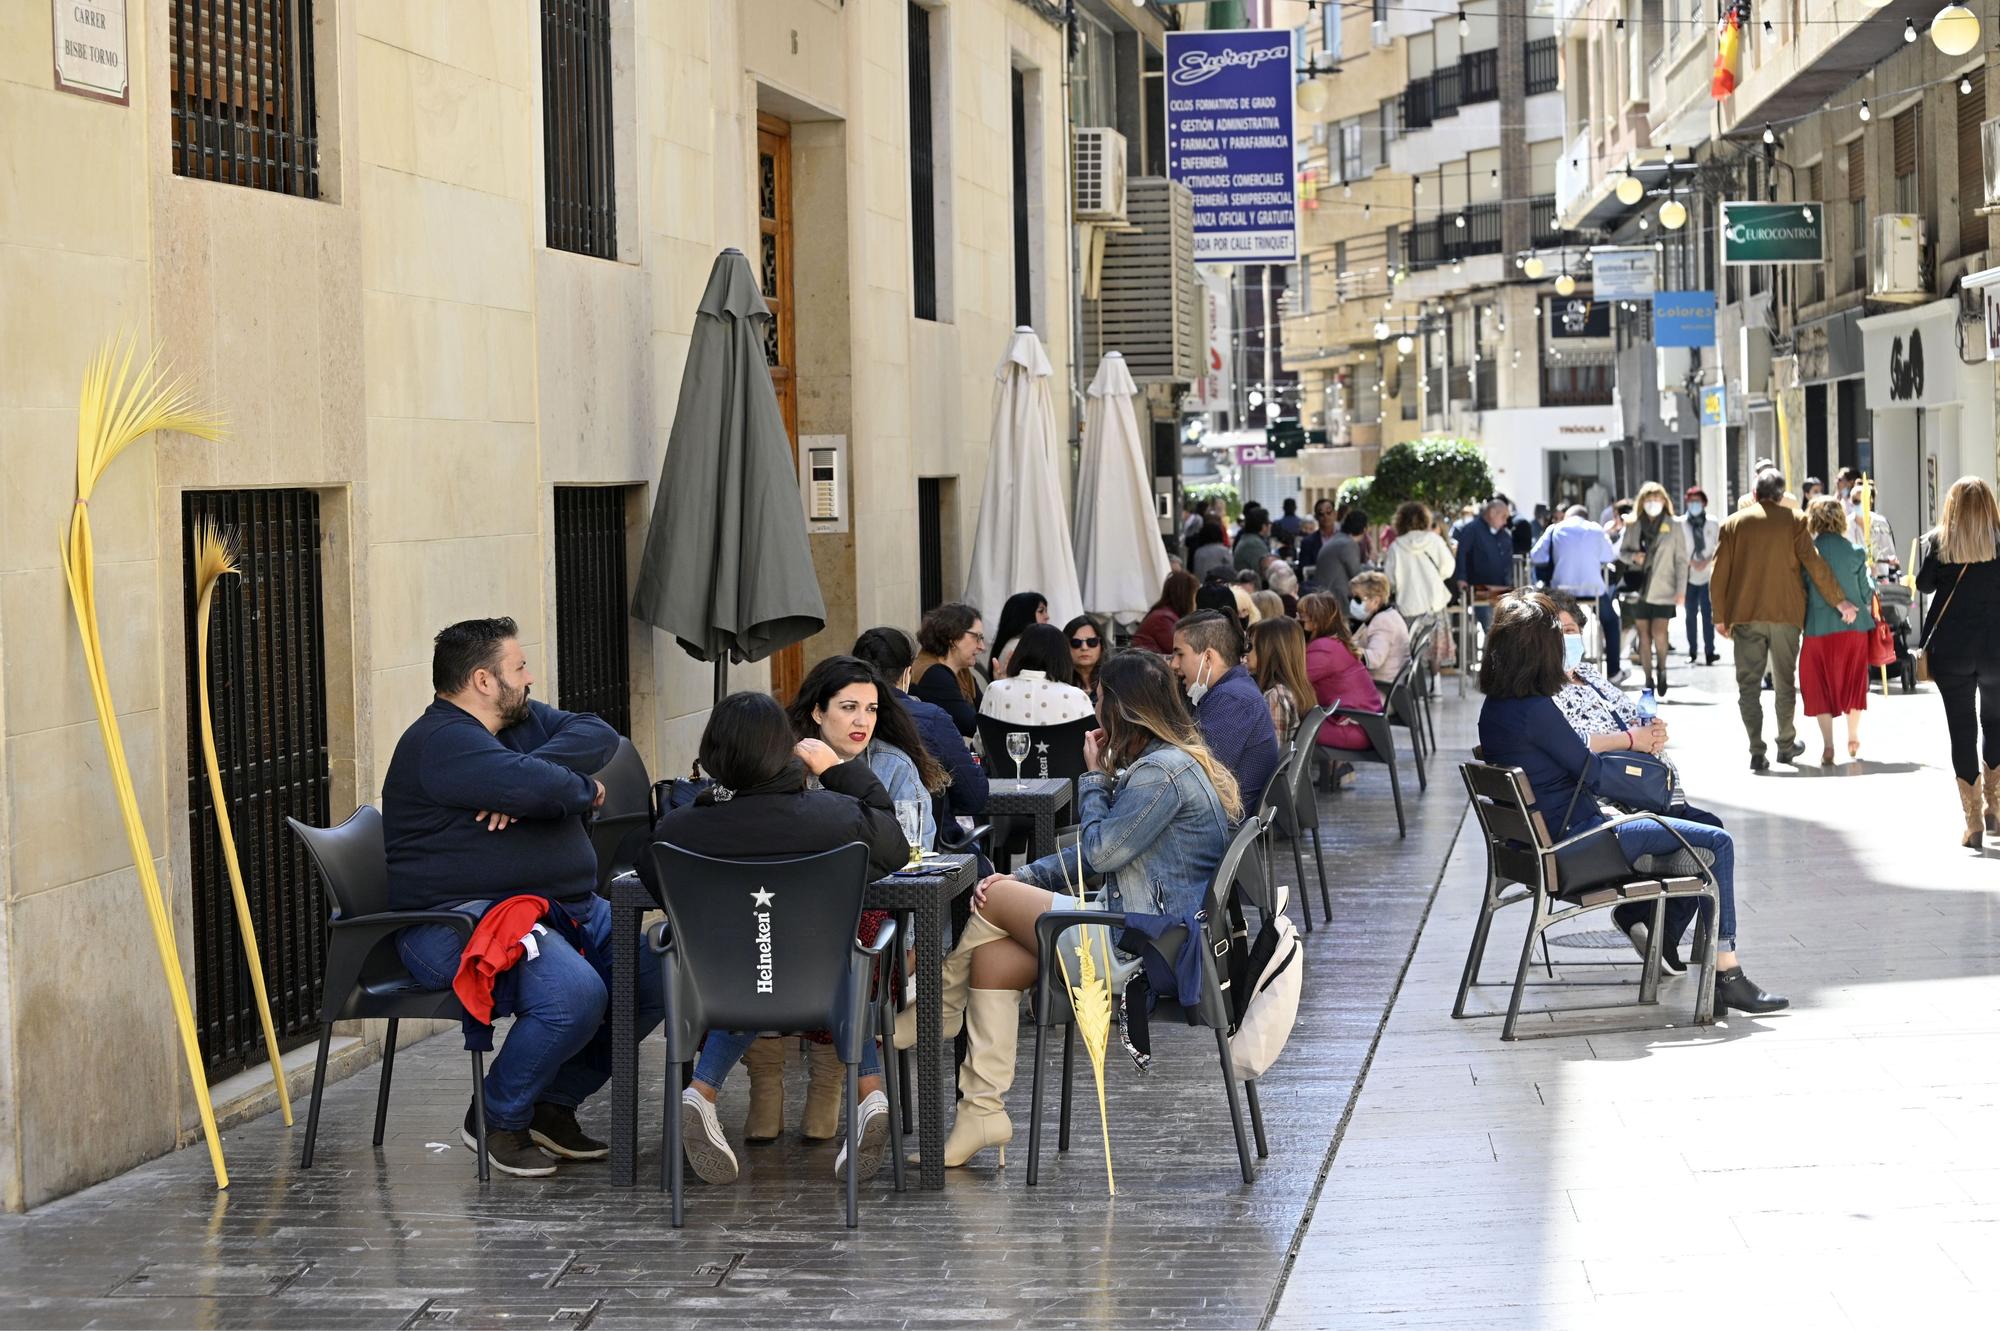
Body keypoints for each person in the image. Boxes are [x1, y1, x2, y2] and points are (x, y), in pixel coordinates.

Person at [932, 652, 1239, 1167]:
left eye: (1098, 698)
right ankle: (980, 1114)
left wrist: (1093, 778)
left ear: (1120, 709)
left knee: (993, 894)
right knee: (993, 962)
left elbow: (1097, 855)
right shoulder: (1171, 762)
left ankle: (937, 1006)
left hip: (1140, 949)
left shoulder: (1160, 773)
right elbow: (1098, 856)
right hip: (1152, 933)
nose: (1093, 708)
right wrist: (1024, 875)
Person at [384, 617, 661, 1178]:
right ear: (483, 680)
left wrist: (530, 776)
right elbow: (553, 787)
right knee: (574, 995)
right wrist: (578, 788)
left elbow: (600, 734)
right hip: (461, 922)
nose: (531, 677)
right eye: (519, 668)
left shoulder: (523, 722)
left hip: (566, 909)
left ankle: (551, 1106)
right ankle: (496, 1117)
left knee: (664, 977)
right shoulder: (442, 743)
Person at [1476, 592, 1788, 1016]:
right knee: (1718, 843)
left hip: (1538, 849)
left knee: (1697, 837)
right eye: (1556, 637)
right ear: (1535, 648)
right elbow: (1595, 773)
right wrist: (1636, 757)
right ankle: (1726, 975)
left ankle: (1675, 938)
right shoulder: (1536, 711)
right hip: (1581, 846)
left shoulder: (1496, 710)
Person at [647, 693, 910, 1187]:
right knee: (849, 955)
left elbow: (652, 879)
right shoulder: (836, 817)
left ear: (714, 754)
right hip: (825, 991)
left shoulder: (679, 830)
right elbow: (894, 843)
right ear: (786, 750)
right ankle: (871, 1091)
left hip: (723, 992)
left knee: (757, 958)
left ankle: (700, 1089)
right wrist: (838, 770)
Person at [1543, 590, 1719, 971]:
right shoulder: (1545, 692)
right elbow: (1573, 746)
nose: (1566, 638)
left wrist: (1652, 731)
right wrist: (1631, 741)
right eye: (1557, 630)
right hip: (1613, 801)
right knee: (1710, 837)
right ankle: (1671, 937)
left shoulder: (1589, 675)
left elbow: (1630, 714)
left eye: (1571, 629)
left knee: (1707, 827)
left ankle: (1649, 923)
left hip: (1642, 788)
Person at [1711, 468, 1856, 771]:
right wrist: (1839, 600)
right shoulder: (1794, 521)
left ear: (1754, 495)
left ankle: (1756, 748)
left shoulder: (1732, 524)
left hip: (1746, 615)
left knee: (1748, 685)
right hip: (1787, 614)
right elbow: (1814, 565)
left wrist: (1719, 617)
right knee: (1784, 682)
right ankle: (1786, 744)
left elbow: (1719, 574)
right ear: (1781, 496)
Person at [1914, 476, 2000, 848]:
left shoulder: (1939, 541)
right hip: (1997, 649)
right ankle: (1996, 807)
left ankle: (1973, 822)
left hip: (1952, 652)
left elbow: (1923, 585)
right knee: (1995, 724)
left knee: (1962, 729)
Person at [851, 626, 987, 824]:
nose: (863, 719)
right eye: (848, 707)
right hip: (930, 844)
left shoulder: (840, 721)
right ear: (907, 674)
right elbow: (974, 796)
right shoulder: (929, 718)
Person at [1169, 609, 1281, 810]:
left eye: (1179, 654)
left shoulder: (1231, 698)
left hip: (1223, 823)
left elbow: (1195, 774)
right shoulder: (1235, 689)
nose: (1173, 664)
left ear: (1208, 658)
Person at [1797, 496, 1876, 767]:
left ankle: (1828, 745)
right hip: (1852, 628)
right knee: (1853, 681)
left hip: (1817, 629)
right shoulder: (1855, 551)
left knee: (1819, 683)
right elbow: (1866, 593)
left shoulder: (1808, 553)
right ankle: (1852, 736)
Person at [1532, 504, 1624, 683]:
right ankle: (1613, 672)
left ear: (1567, 516)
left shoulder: (1554, 529)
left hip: (1562, 590)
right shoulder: (1596, 529)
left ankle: (1551, 670)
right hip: (1593, 589)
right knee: (1611, 622)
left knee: (1551, 626)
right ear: (1586, 516)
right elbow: (1608, 556)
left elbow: (1537, 556)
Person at [1618, 482, 1690, 697]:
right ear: (1642, 502)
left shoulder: (1673, 525)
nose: (1653, 504)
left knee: (1659, 631)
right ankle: (1648, 677)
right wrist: (1634, 557)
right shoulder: (1632, 524)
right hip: (1639, 588)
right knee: (1643, 635)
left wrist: (1681, 589)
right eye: (1649, 499)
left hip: (1664, 588)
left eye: (1657, 499)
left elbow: (1681, 559)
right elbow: (1621, 552)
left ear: (1664, 501)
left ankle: (1663, 669)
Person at [1298, 591, 1382, 759]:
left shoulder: (1324, 648)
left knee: (1291, 726)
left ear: (1316, 622)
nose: (1297, 622)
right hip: (1366, 727)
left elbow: (1295, 680)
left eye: (1302, 617)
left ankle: (1290, 782)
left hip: (1354, 729)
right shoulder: (1335, 643)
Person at [979, 623, 1096, 727]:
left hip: (1004, 752)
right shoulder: (1077, 697)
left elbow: (981, 743)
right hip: (1061, 752)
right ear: (1063, 657)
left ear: (1020, 652)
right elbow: (1090, 744)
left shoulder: (994, 690)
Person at [1382, 501, 1454, 643]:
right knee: (1436, 655)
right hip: (1435, 604)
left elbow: (1390, 580)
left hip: (1408, 607)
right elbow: (1448, 568)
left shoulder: (1396, 546)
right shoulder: (1435, 540)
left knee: (1413, 653)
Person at [913, 602, 985, 737]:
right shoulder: (934, 674)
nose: (982, 646)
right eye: (977, 637)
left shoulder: (963, 672)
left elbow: (985, 715)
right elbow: (972, 726)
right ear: (953, 637)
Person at [1247, 615, 1314, 746]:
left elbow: (1273, 752)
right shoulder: (1294, 687)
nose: (1246, 652)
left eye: (1251, 646)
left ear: (1269, 650)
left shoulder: (1276, 695)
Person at [1454, 497, 1516, 631]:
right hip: (1480, 591)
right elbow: (1462, 555)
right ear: (1493, 513)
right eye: (1503, 516)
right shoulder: (1471, 530)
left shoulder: (1504, 534)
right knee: (1491, 629)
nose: (1505, 521)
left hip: (1502, 590)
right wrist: (1462, 578)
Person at [1348, 570, 1411, 686]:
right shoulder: (1388, 614)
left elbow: (1375, 659)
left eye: (1358, 598)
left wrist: (1348, 650)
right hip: (1387, 682)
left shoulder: (1382, 622)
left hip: (1381, 688)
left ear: (1375, 601)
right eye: (1351, 597)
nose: (1352, 602)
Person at [1681, 486, 1719, 666]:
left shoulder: (1712, 522)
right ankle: (1692, 651)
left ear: (1704, 502)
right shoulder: (1681, 523)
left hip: (1708, 575)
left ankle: (1710, 651)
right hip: (1689, 576)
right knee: (1690, 615)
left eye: (1697, 501)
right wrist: (1691, 562)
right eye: (1691, 501)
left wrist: (1707, 561)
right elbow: (1678, 549)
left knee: (1707, 614)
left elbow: (1719, 546)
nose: (1694, 504)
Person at [1134, 569, 1198, 655]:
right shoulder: (1163, 619)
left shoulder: (1164, 614)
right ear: (1185, 596)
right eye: (1194, 596)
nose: (1195, 602)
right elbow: (1183, 651)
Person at [1312, 509, 1367, 606]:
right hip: (1336, 603)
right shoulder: (1348, 544)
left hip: (1323, 598)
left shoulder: (1338, 539)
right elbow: (1358, 577)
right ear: (1364, 529)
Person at [989, 591, 1048, 679]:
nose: (1047, 616)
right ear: (1024, 615)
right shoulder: (1019, 646)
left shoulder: (1017, 643)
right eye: (1041, 611)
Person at [1065, 614, 1108, 701]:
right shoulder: (1058, 685)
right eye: (1076, 642)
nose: (1084, 648)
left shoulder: (1113, 682)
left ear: (1101, 645)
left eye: (1092, 642)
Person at [1299, 497, 1338, 568]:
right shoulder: (1307, 542)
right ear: (1316, 517)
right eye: (1321, 514)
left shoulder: (1346, 537)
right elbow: (1304, 570)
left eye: (1328, 513)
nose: (1325, 516)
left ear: (1335, 514)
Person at [1234, 509, 1273, 574]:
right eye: (1268, 523)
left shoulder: (1249, 539)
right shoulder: (1253, 544)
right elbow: (1266, 571)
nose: (1270, 525)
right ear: (1263, 526)